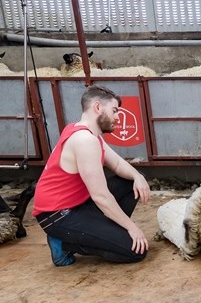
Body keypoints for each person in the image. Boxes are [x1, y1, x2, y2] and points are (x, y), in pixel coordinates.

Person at [33, 85, 150, 266]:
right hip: (57, 216)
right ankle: (65, 244)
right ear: (97, 107)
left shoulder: (88, 133)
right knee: (134, 250)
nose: (118, 118)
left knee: (131, 181)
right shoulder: (84, 141)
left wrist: (138, 177)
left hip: (77, 204)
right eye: (114, 111)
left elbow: (118, 164)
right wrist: (132, 228)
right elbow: (101, 197)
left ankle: (103, 233)